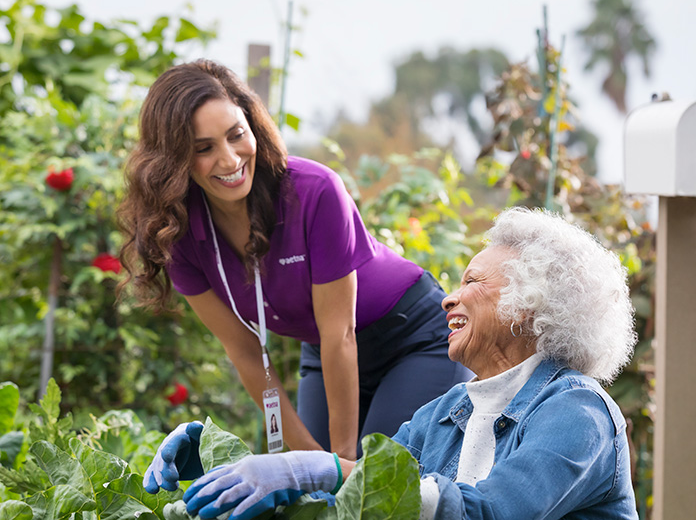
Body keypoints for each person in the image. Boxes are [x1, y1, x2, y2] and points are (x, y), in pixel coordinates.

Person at [166, 207, 639, 520]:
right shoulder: (446, 413)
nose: (447, 298)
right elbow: (364, 494)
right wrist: (218, 455)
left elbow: (491, 512)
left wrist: (322, 468)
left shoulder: (577, 412)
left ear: (529, 304)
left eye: (472, 281)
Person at [118, 58, 472, 465]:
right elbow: (245, 351)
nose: (231, 160)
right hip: (324, 351)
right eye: (204, 149)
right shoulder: (176, 233)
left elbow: (341, 332)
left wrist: (338, 463)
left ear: (252, 126)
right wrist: (311, 463)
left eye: (236, 135)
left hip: (411, 338)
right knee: (311, 489)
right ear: (174, 159)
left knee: (375, 485)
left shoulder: (314, 191)